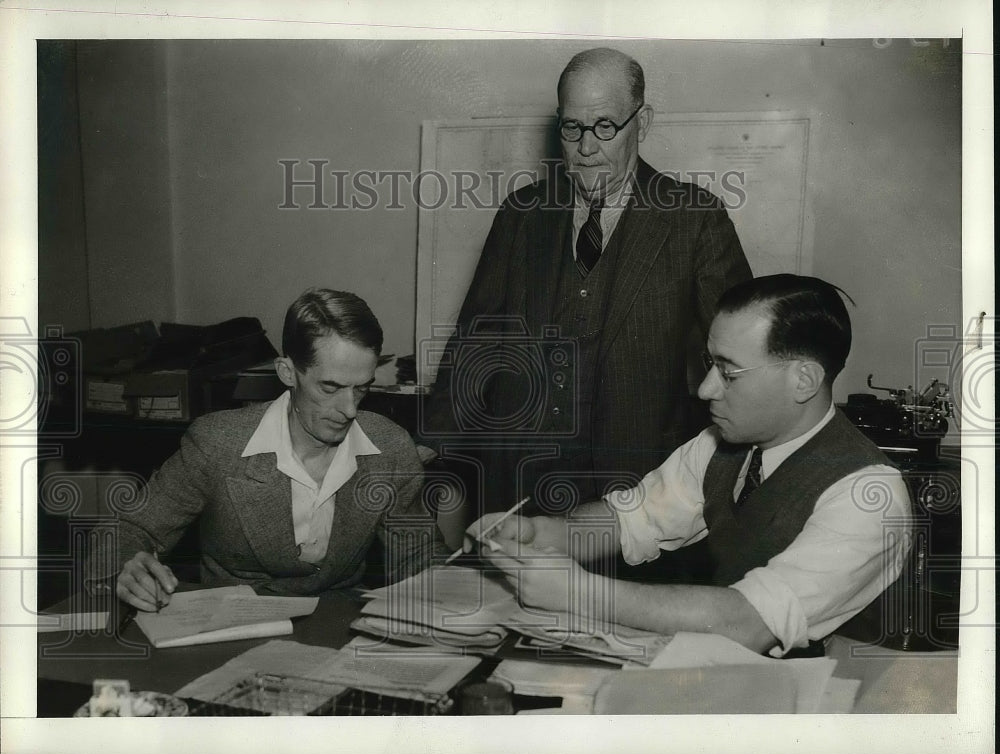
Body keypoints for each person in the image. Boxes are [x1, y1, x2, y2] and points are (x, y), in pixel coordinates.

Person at [465, 275, 912, 656]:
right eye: (709, 364)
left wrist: (581, 593)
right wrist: (539, 533)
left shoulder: (867, 496)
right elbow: (631, 519)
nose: (705, 389)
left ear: (804, 380)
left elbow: (751, 623)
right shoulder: (720, 445)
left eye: (729, 372)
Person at [419, 47, 751, 520]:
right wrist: (433, 442)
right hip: (519, 484)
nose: (586, 147)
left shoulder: (694, 219)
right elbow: (476, 339)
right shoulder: (521, 213)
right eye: (572, 127)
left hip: (638, 488)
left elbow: (742, 353)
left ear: (642, 121)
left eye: (605, 126)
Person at [87, 288, 449, 611]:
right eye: (330, 388)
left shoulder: (390, 448)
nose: (350, 409)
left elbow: (420, 559)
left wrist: (473, 571)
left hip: (338, 629)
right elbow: (127, 530)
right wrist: (126, 569)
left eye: (361, 388)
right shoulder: (217, 443)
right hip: (230, 628)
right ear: (287, 372)